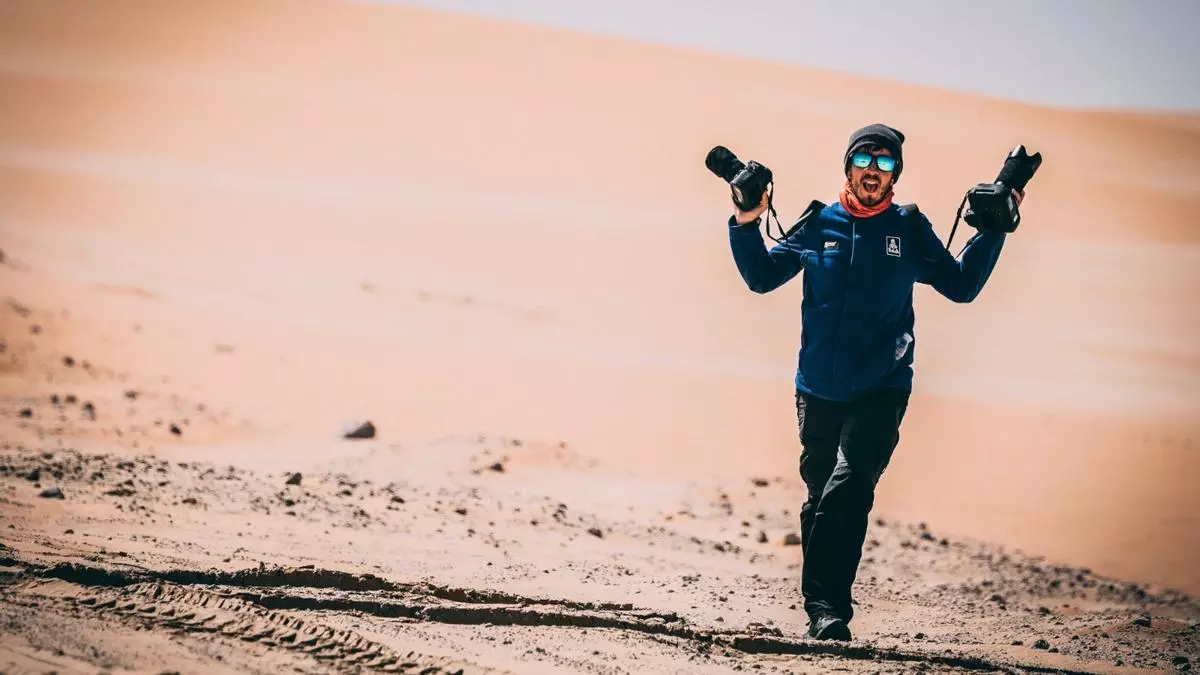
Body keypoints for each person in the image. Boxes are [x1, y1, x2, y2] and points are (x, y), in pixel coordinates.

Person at [725, 123, 1023, 642]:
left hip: (882, 387)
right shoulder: (818, 223)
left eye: (885, 164)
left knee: (849, 487)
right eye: (864, 160)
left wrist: (994, 228)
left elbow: (961, 285)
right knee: (820, 494)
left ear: (895, 176)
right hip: (816, 387)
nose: (873, 171)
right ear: (848, 166)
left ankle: (827, 609)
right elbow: (761, 277)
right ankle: (820, 605)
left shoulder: (908, 228)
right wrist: (747, 220)